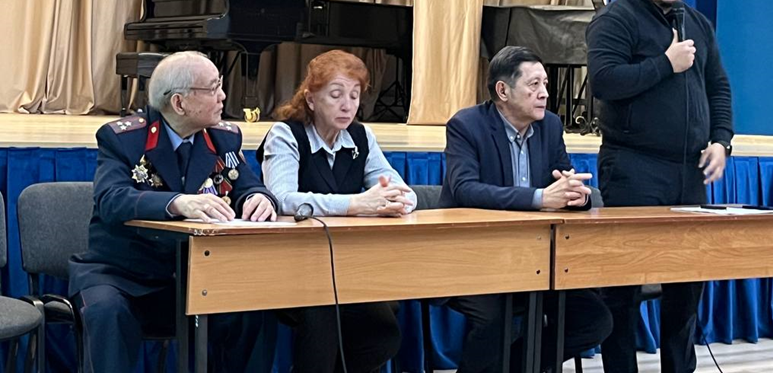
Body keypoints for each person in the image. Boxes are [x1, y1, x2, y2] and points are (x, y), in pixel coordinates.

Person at [68, 51, 279, 373]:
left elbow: (247, 185)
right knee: (106, 312)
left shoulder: (223, 137)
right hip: (123, 276)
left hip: (195, 277)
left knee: (254, 308)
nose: (223, 96)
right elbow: (111, 199)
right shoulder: (124, 138)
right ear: (179, 103)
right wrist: (177, 202)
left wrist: (260, 199)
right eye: (213, 88)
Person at [586, 0, 734, 373]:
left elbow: (718, 87)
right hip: (634, 167)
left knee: (686, 285)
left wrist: (722, 141)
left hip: (688, 172)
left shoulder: (696, 23)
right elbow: (604, 82)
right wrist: (665, 64)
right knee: (623, 284)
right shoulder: (616, 19)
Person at [441, 46, 613, 373]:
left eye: (545, 84)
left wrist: (578, 196)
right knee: (495, 320)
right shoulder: (466, 125)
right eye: (534, 85)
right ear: (502, 90)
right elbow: (465, 189)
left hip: (536, 260)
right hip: (476, 257)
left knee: (594, 320)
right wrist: (538, 198)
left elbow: (563, 179)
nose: (544, 93)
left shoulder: (550, 126)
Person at [259, 49, 414, 373]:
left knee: (383, 334)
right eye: (336, 95)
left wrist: (398, 200)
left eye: (355, 96)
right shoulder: (286, 134)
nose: (347, 105)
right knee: (323, 319)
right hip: (293, 265)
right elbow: (282, 198)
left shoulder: (361, 136)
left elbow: (398, 188)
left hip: (351, 266)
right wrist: (355, 204)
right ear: (311, 99)